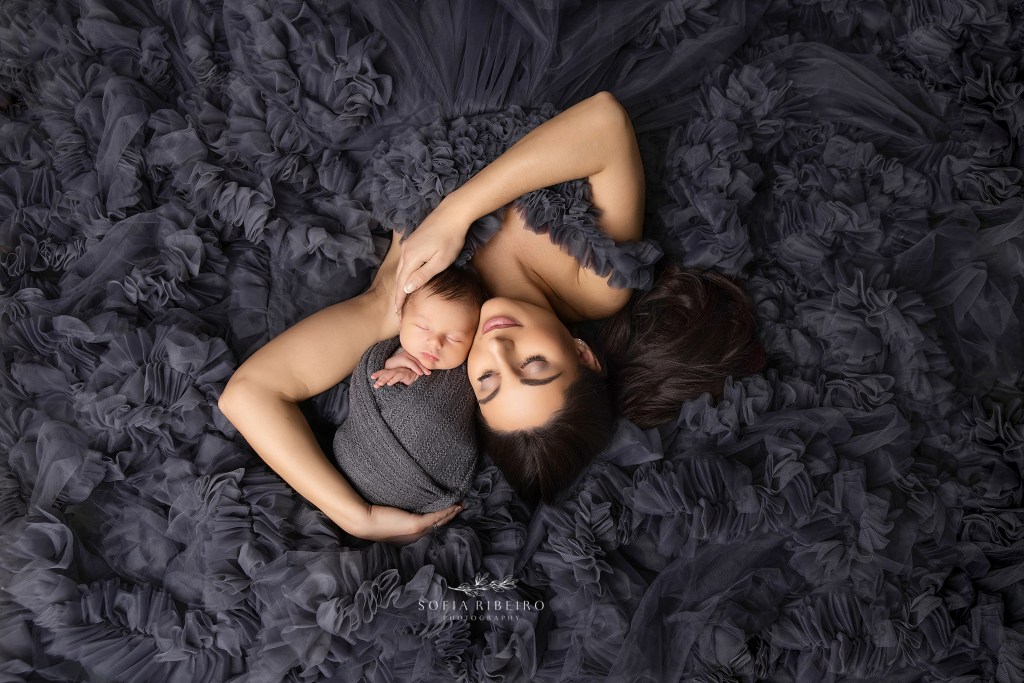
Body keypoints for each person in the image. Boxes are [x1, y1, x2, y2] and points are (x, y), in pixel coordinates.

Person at [218, 91, 764, 542]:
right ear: (582, 353)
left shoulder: (411, 307)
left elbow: (250, 394)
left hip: (411, 98)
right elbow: (604, 123)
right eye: (533, 365)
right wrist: (457, 213)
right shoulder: (598, 286)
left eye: (487, 381)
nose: (498, 349)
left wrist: (354, 517)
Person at [331, 266, 488, 516]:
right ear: (402, 317)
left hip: (430, 481)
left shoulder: (465, 374)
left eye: (455, 339)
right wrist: (390, 369)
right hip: (356, 455)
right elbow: (372, 385)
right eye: (423, 327)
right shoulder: (387, 353)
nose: (435, 343)